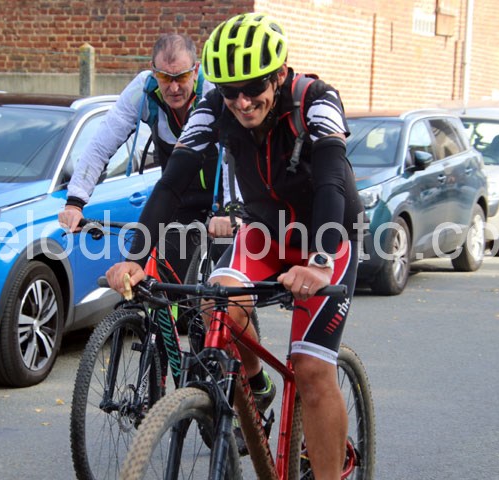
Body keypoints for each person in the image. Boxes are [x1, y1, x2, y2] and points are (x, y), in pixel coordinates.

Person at [106, 13, 364, 479]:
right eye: (230, 91)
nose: (242, 102)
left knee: (310, 369)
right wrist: (135, 258)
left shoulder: (315, 99)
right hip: (265, 234)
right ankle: (256, 385)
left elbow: (331, 180)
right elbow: (173, 182)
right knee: (216, 306)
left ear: (279, 75)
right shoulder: (213, 107)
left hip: (329, 238)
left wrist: (320, 261)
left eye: (253, 88)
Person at [59, 33, 236, 281]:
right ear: (153, 72)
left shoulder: (213, 91)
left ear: (195, 70)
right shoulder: (142, 91)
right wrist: (75, 201)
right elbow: (100, 144)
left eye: (181, 77)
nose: (173, 88)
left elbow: (234, 155)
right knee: (168, 282)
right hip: (179, 199)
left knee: (226, 285)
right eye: (165, 77)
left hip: (223, 198)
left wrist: (231, 210)